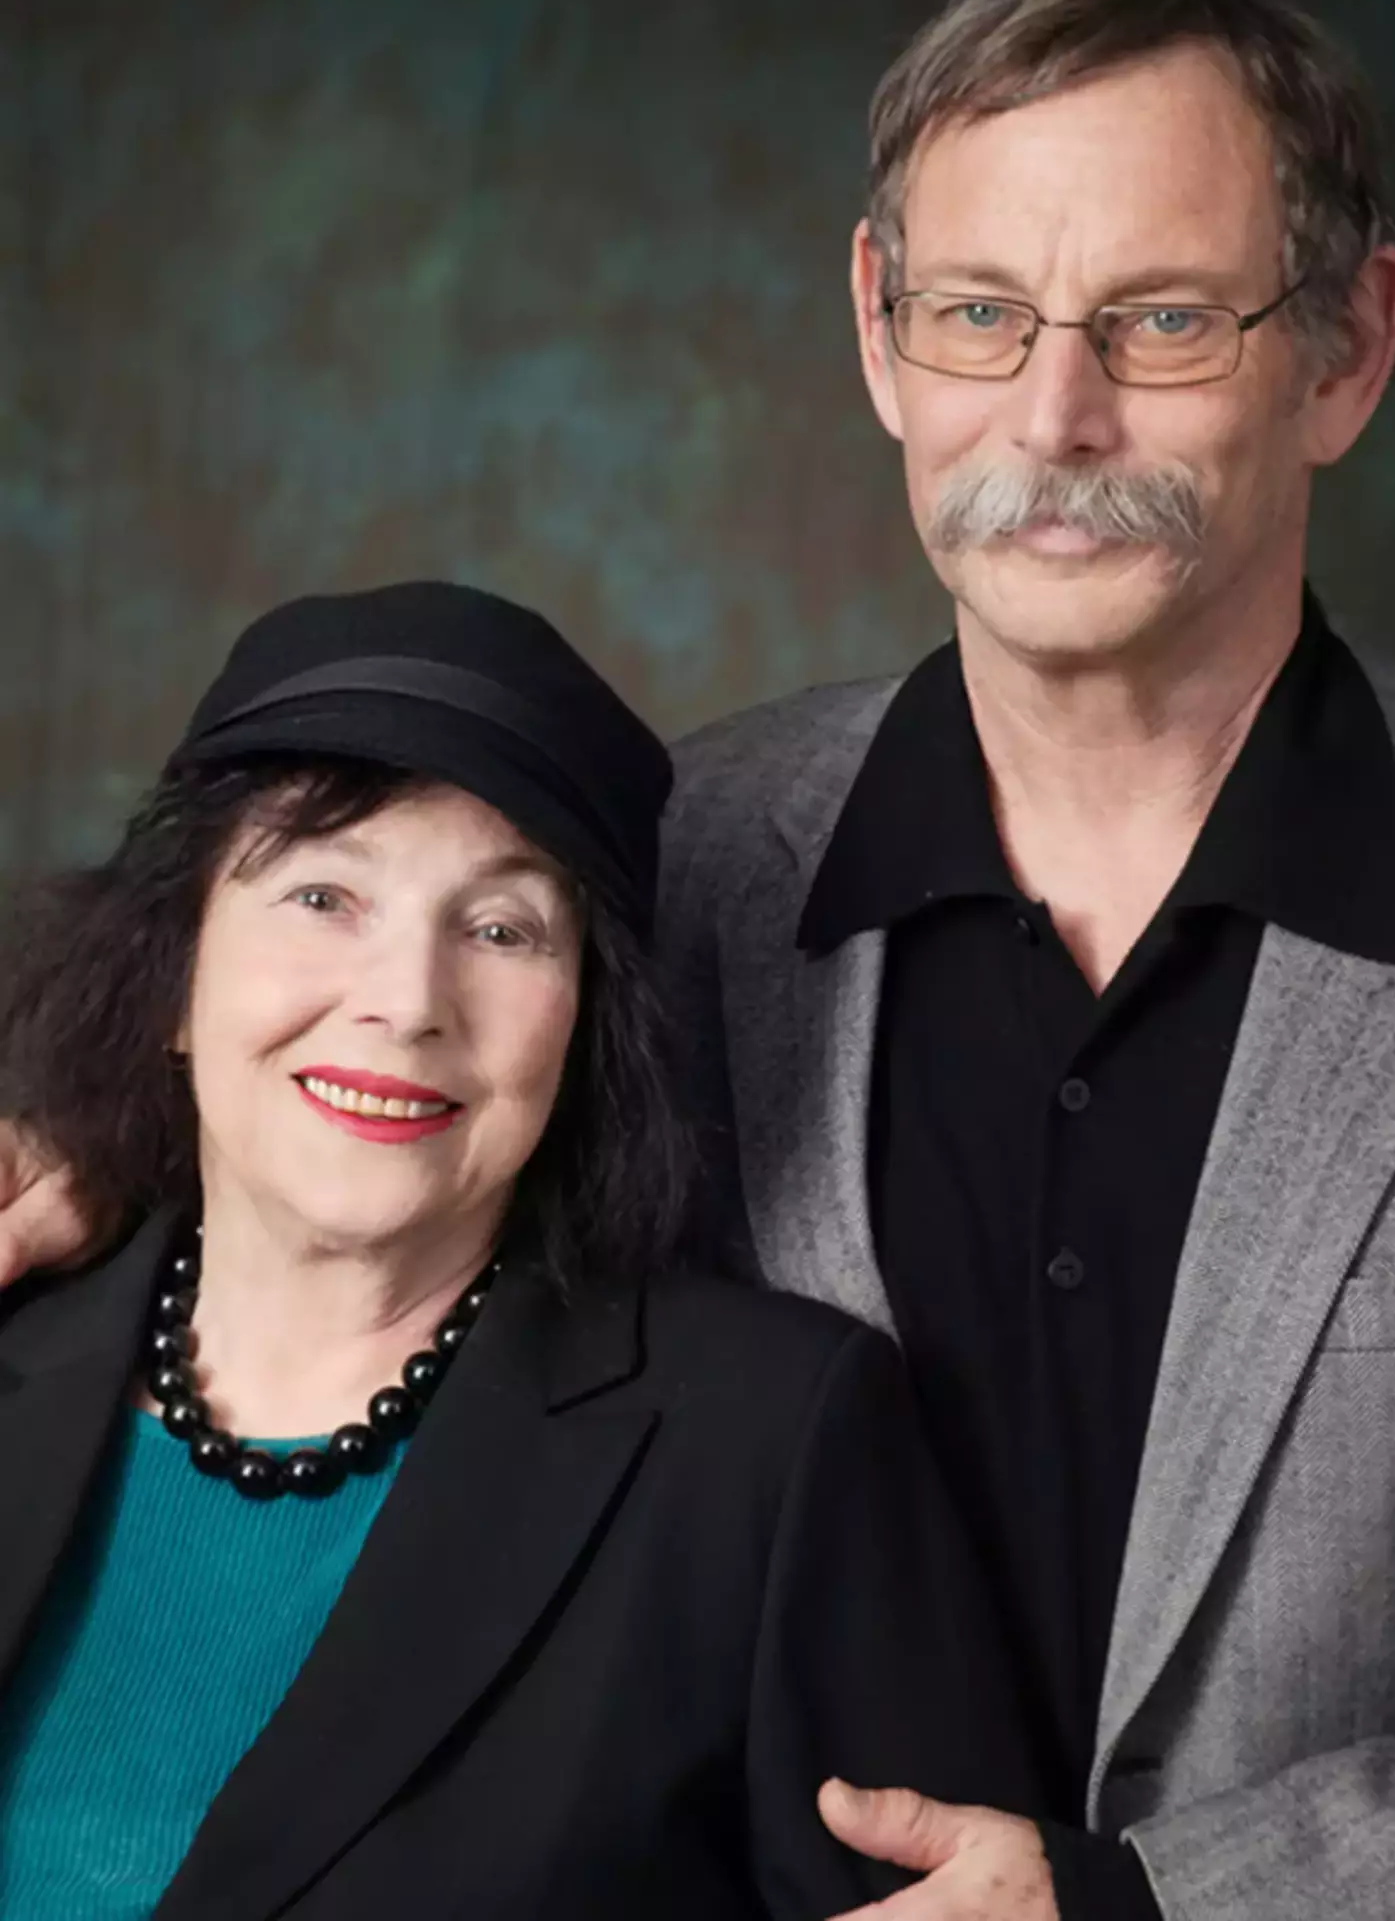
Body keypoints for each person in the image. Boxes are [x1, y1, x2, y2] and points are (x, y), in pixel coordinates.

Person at [659, 0, 1395, 1921]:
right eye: (983, 315)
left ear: (1346, 351)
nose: (1055, 416)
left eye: (1162, 321)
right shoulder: (671, 870)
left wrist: (1138, 1899)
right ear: (876, 327)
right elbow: (351, 1218)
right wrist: (87, 1170)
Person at [0, 579, 1036, 1920]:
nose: (407, 1002)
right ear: (175, 978)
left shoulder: (769, 1448)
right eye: (323, 896)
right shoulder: (21, 1330)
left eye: (501, 930)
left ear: (582, 1030)